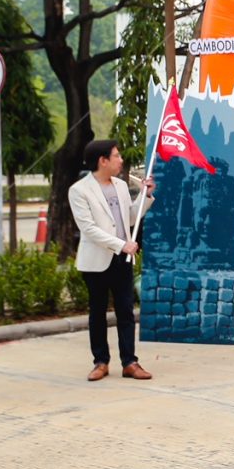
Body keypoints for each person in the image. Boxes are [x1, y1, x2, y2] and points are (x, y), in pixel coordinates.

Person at [69, 140, 155, 382]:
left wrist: (145, 195)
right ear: (102, 161)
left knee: (126, 311)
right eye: (116, 156)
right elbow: (89, 229)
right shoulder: (79, 190)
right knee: (97, 312)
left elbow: (129, 218)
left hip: (122, 259)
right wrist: (121, 244)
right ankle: (100, 362)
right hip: (96, 261)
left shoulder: (120, 185)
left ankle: (130, 362)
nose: (121, 160)